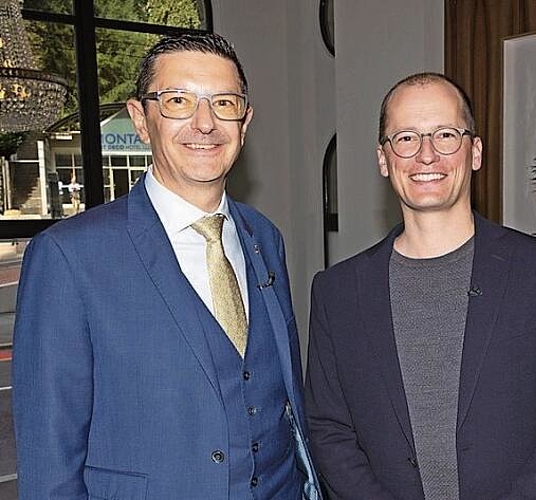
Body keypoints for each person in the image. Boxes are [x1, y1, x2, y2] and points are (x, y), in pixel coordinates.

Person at [13, 33, 320, 500]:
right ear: (141, 119)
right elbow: (49, 462)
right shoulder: (68, 257)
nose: (205, 123)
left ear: (245, 120)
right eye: (178, 101)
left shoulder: (265, 238)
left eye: (223, 102)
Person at [304, 72, 536, 500]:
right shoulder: (337, 292)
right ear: (384, 159)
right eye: (406, 138)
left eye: (445, 134)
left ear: (475, 151)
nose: (426, 155)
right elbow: (329, 429)